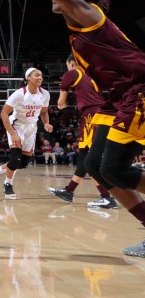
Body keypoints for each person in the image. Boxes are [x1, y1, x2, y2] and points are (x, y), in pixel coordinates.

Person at [0, 0, 145, 254]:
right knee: (98, 167)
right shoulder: (78, 25)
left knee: (113, 167)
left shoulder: (87, 12)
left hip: (140, 89)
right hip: (118, 97)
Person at [49, 55, 117, 208]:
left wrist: (61, 105)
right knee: (86, 158)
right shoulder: (92, 76)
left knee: (90, 159)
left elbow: (60, 103)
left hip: (92, 117)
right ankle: (69, 191)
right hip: (104, 115)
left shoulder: (72, 73)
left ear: (72, 63)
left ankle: (108, 197)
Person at [0, 68, 52, 199]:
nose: (40, 77)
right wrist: (12, 133)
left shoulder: (45, 94)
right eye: (37, 75)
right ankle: (8, 185)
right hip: (17, 126)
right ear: (28, 77)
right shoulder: (19, 94)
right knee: (15, 159)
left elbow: (44, 112)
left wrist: (46, 123)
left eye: (41, 76)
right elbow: (4, 113)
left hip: (31, 128)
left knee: (22, 163)